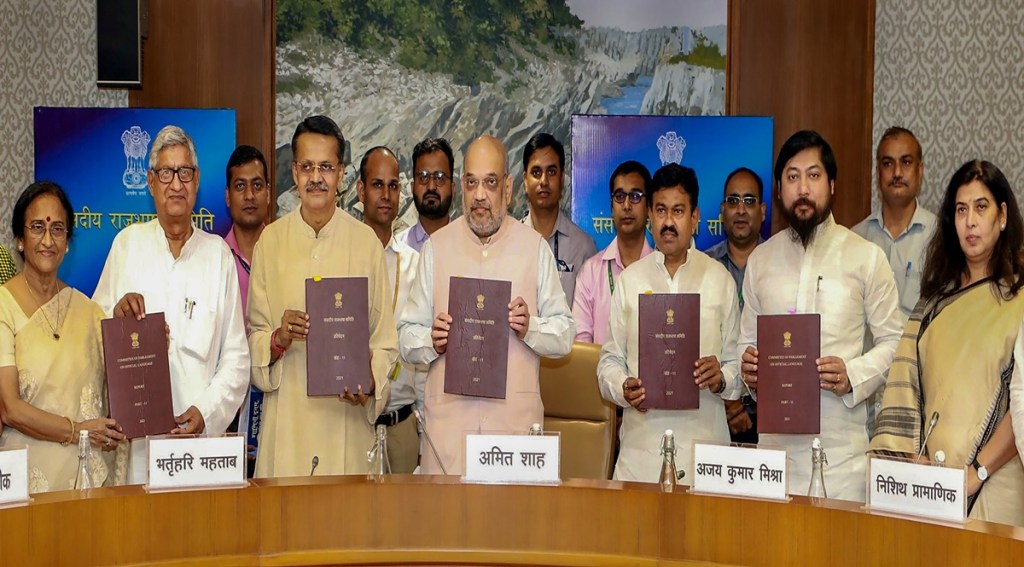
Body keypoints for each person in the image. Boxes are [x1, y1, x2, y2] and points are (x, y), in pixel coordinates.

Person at [739, 130, 902, 502]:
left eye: (813, 176)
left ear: (832, 184)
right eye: (792, 177)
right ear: (779, 190)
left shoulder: (866, 257)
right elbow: (746, 343)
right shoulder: (761, 261)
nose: (803, 188)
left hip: (841, 458)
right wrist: (750, 372)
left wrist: (852, 375)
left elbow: (895, 342)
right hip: (773, 457)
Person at [398, 135, 574, 475]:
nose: (480, 195)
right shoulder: (437, 248)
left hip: (514, 444)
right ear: (462, 187)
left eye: (490, 183)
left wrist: (531, 326)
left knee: (512, 530)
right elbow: (406, 337)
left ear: (507, 188)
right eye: (472, 183)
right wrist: (430, 340)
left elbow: (565, 333)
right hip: (448, 440)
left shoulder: (534, 249)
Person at [93, 125, 250, 484]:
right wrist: (116, 321)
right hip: (139, 447)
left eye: (185, 173)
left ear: (196, 182)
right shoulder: (126, 245)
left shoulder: (218, 256)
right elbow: (92, 334)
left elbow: (237, 359)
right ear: (150, 182)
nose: (176, 184)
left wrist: (206, 414)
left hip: (201, 446)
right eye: (166, 173)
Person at [247, 115, 398, 477]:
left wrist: (369, 383)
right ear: (295, 172)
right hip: (288, 426)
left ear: (341, 175)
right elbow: (253, 335)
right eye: (307, 166)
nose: (317, 177)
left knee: (345, 530)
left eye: (326, 166)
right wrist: (279, 339)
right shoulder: (270, 242)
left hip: (345, 424)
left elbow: (386, 344)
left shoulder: (365, 244)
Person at [877, 160, 1024, 526]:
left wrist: (977, 473)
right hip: (931, 485)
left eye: (981, 207)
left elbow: (1021, 406)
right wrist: (913, 459)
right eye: (961, 209)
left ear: (1002, 215)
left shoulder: (1020, 300)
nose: (970, 221)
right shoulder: (933, 303)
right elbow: (906, 390)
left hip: (995, 482)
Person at [597, 164, 741, 482]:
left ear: (695, 218)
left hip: (705, 455)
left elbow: (739, 368)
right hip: (640, 455)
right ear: (650, 215)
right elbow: (607, 363)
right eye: (661, 210)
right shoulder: (629, 281)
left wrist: (720, 378)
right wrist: (622, 388)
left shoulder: (720, 281)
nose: (668, 222)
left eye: (678, 211)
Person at [0, 182, 127, 492]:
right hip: (24, 484)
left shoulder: (91, 312)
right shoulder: (3, 306)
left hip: (86, 484)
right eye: (37, 228)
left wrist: (138, 337)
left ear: (68, 242)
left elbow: (119, 399)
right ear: (19, 239)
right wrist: (78, 431)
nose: (47, 240)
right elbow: (10, 408)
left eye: (58, 229)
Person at [356, 145, 423, 473]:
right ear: (360, 190)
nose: (386, 194)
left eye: (393, 185)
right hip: (353, 423)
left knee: (406, 524)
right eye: (377, 184)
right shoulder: (343, 260)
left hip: (402, 425)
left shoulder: (416, 265)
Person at [705, 167, 766, 444]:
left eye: (749, 201)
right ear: (722, 210)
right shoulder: (702, 268)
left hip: (771, 413)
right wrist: (730, 403)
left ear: (763, 210)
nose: (740, 210)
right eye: (733, 201)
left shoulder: (780, 266)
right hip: (714, 409)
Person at [222, 144, 271, 477]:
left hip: (278, 403)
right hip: (226, 413)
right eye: (240, 186)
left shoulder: (289, 255)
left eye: (257, 185)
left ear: (269, 192)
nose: (249, 195)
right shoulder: (212, 259)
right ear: (227, 196)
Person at [852, 127, 938, 316]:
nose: (897, 172)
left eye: (906, 162)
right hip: (869, 346)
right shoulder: (855, 239)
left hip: (919, 345)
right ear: (878, 173)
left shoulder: (940, 238)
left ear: (920, 170)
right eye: (888, 163)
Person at [573, 160, 653, 345]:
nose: (626, 205)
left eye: (635, 196)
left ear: (648, 207)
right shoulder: (590, 272)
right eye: (619, 196)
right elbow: (581, 343)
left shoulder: (662, 269)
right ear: (611, 207)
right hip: (598, 373)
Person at [521, 133, 596, 307]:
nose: (544, 181)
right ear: (525, 180)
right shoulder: (509, 243)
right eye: (536, 172)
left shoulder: (583, 247)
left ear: (562, 179)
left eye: (551, 172)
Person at [396, 138, 455, 253]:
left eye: (439, 177)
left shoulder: (470, 249)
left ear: (453, 189)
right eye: (423, 177)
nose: (431, 186)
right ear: (412, 187)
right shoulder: (398, 251)